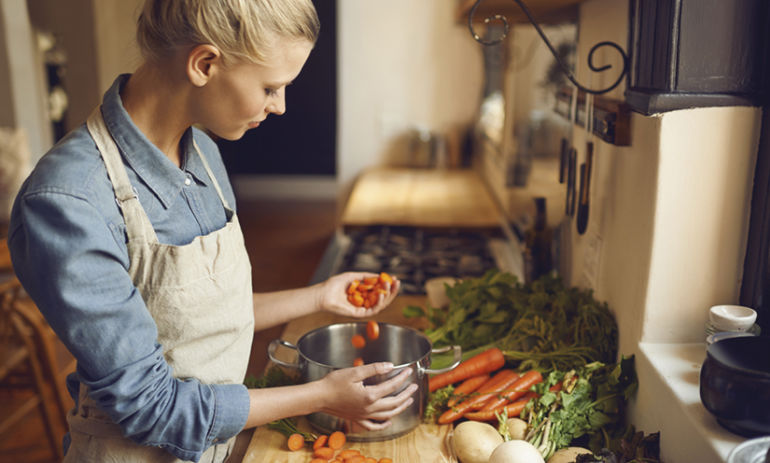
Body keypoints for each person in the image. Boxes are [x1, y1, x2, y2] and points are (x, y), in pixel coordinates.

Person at [7, 1, 416, 461]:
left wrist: (320, 296)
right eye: (270, 87)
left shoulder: (202, 151)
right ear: (204, 64)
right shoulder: (69, 202)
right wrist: (322, 395)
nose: (280, 106)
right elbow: (152, 407)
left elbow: (198, 319)